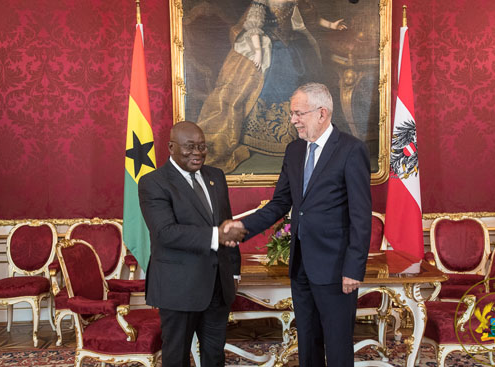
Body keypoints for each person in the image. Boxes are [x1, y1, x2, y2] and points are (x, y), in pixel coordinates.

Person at [226, 83, 372, 366]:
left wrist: (353, 269)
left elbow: (360, 215)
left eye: (298, 113)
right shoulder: (294, 150)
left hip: (336, 268)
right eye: (292, 114)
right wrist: (241, 229)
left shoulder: (351, 150)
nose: (293, 120)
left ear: (322, 113)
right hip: (301, 265)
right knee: (307, 339)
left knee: (338, 343)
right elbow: (280, 204)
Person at [138, 121, 246, 367]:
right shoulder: (153, 182)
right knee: (176, 357)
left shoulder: (215, 176)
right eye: (189, 147)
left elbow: (226, 224)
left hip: (218, 287)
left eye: (202, 146)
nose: (197, 153)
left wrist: (235, 271)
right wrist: (215, 236)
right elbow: (165, 232)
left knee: (215, 356)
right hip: (178, 289)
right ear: (171, 147)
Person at [197, 0, 347, 173]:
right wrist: (259, 52)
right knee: (274, 79)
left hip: (292, 44)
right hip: (266, 45)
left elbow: (310, 18)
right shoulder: (262, 1)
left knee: (302, 80)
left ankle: (300, 129)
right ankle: (262, 134)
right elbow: (253, 26)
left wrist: (331, 24)